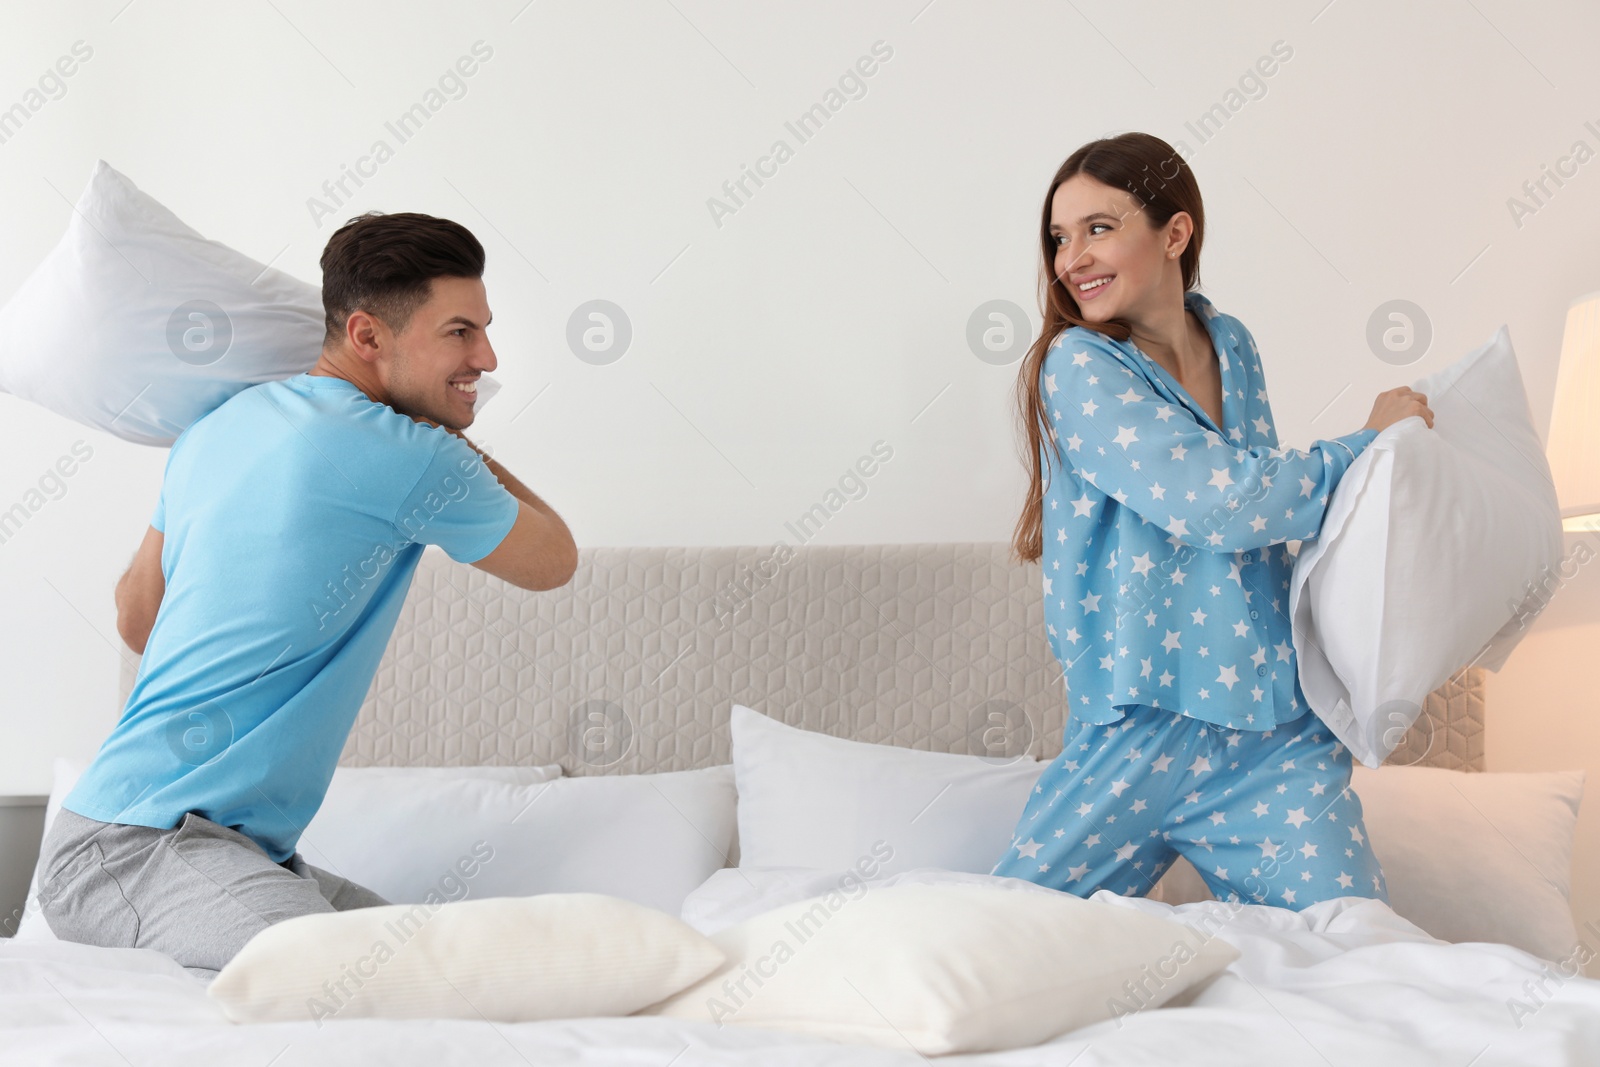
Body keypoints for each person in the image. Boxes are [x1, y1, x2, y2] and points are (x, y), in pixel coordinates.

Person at [34, 212, 577, 978]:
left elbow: (136, 619)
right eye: (459, 332)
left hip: (167, 844)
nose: (484, 358)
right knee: (388, 981)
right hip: (141, 849)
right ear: (366, 335)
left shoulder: (218, 425)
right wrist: (446, 432)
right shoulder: (415, 455)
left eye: (483, 330)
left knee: (468, 968)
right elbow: (554, 557)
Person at [989, 133, 1434, 909]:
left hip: (1269, 737)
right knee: (993, 948)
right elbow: (1221, 502)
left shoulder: (1233, 344)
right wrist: (1364, 446)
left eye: (1098, 228)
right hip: (1137, 731)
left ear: (1175, 232)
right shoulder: (1079, 366)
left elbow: (1267, 517)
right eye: (1059, 238)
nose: (1070, 260)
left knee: (1359, 942)